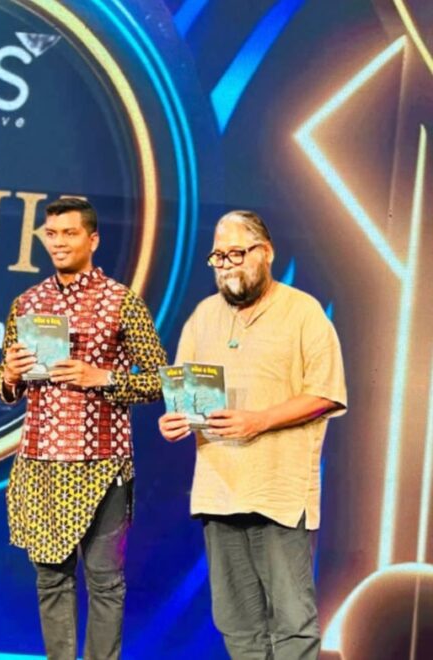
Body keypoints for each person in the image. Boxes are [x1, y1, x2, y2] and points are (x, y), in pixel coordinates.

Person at [158, 210, 347, 660]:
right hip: (218, 492)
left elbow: (326, 394)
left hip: (279, 493)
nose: (226, 265)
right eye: (218, 257)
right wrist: (173, 421)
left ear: (266, 252)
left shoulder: (303, 312)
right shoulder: (203, 316)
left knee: (292, 623)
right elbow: (182, 395)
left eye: (237, 254)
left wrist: (258, 420)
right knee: (236, 623)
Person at [0, 197, 167, 660]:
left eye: (69, 233)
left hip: (103, 463)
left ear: (93, 239)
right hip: (40, 463)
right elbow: (3, 386)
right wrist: (9, 374)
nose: (58, 242)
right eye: (51, 234)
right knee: (50, 579)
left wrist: (102, 377)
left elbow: (160, 381)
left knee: (105, 580)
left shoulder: (121, 301)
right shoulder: (27, 303)